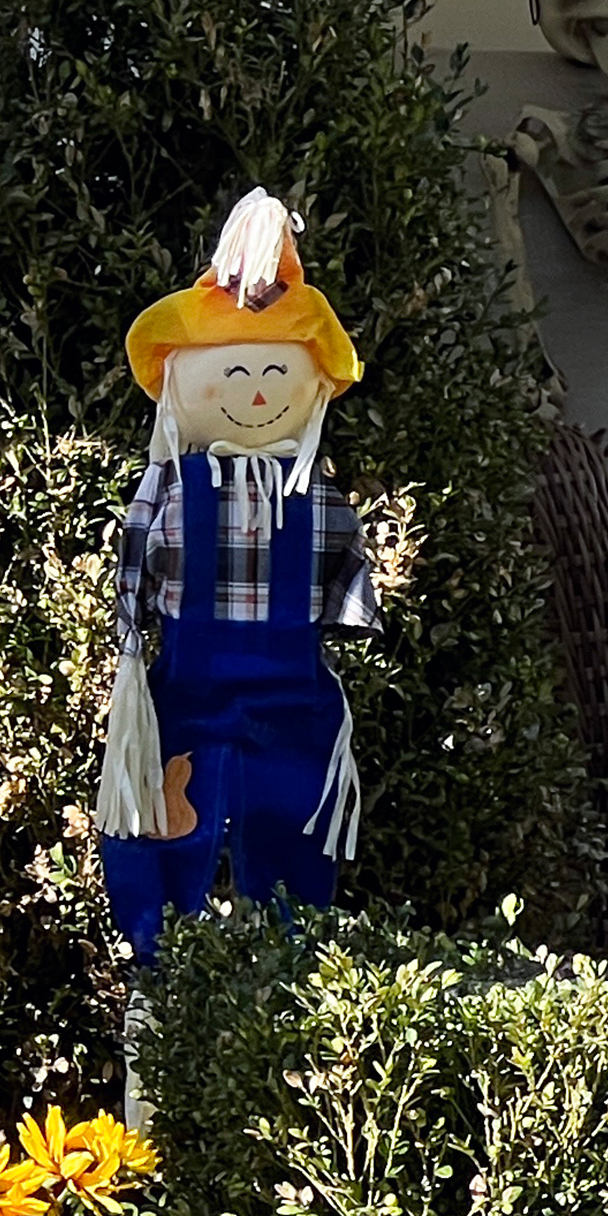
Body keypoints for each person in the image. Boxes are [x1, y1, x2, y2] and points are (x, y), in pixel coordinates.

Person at [96, 192, 371, 958]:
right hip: (187, 683)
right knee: (164, 813)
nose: (255, 391)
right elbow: (134, 567)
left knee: (291, 818)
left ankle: (289, 961)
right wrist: (127, 652)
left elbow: (342, 580)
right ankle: (158, 954)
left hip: (294, 691)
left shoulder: (314, 492)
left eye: (273, 372)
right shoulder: (172, 486)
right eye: (235, 371)